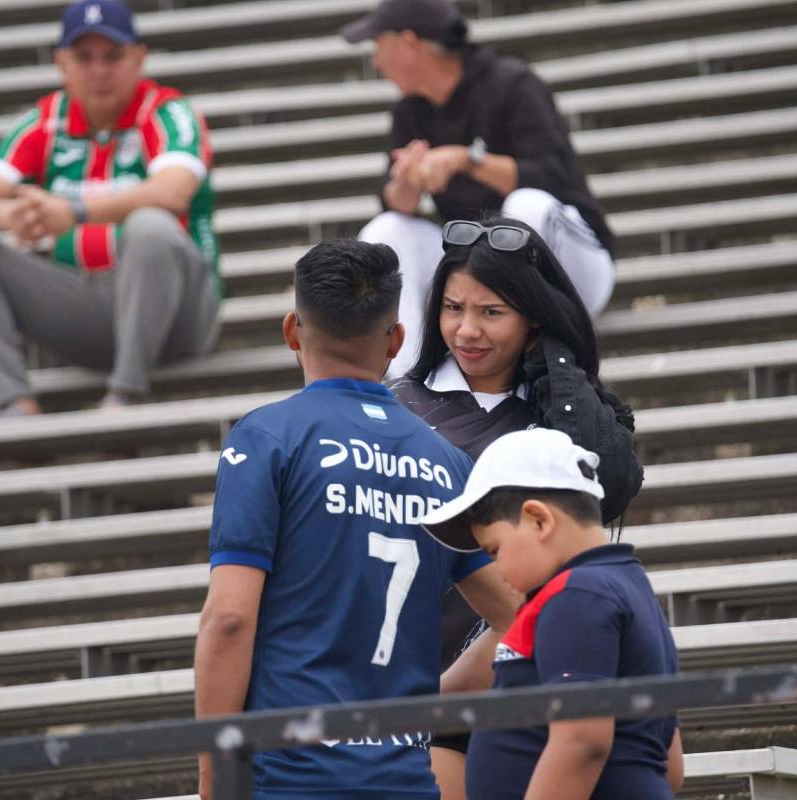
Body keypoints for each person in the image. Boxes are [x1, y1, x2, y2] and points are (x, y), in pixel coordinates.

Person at [194, 240, 519, 800]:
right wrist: (434, 698)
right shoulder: (447, 464)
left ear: (293, 330)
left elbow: (228, 619)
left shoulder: (267, 439)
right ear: (395, 340)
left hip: (290, 779)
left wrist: (213, 783)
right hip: (405, 780)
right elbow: (522, 617)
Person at [391, 217, 643, 799]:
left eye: (492, 312)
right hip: (408, 686)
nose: (466, 330)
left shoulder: (565, 414)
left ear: (533, 315)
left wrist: (554, 357)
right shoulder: (395, 402)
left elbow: (612, 481)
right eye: (452, 308)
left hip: (529, 685)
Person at [0, 0, 220, 418]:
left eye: (113, 55)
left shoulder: (168, 111)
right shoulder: (45, 120)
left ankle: (125, 395)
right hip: (89, 305)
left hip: (182, 314)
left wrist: (75, 211)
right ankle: (14, 402)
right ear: (61, 63)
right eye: (84, 57)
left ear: (139, 58)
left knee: (150, 226)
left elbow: (173, 190)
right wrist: (16, 218)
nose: (99, 70)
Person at [342, 0, 616, 377]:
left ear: (409, 43)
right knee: (385, 231)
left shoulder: (513, 84)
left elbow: (551, 177)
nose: (376, 61)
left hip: (572, 271)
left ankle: (541, 347)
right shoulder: (410, 112)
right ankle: (407, 381)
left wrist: (466, 161)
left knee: (526, 209)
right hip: (482, 281)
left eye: (379, 45)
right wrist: (406, 182)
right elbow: (392, 204)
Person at [420, 427, 684, 800]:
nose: (499, 571)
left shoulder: (574, 595)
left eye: (494, 550)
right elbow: (670, 765)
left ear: (539, 520)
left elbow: (582, 738)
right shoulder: (628, 587)